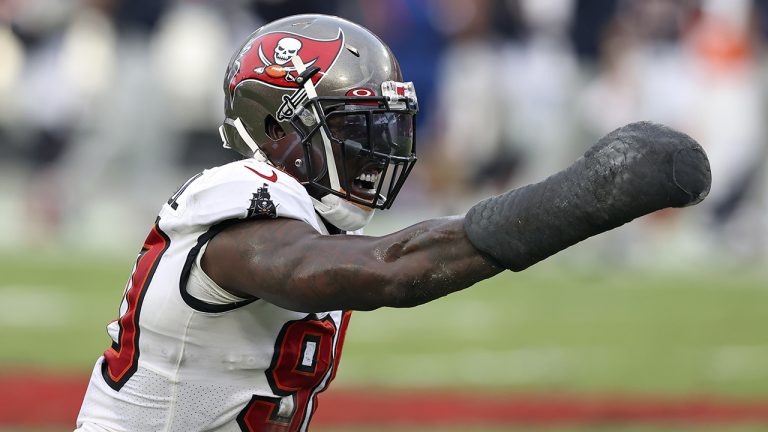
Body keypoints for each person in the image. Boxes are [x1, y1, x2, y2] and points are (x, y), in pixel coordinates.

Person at [75, 14, 711, 432]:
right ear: (277, 128)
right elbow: (388, 273)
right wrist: (580, 199)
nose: (374, 147)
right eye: (353, 127)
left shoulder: (308, 214)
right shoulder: (239, 198)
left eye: (381, 125)